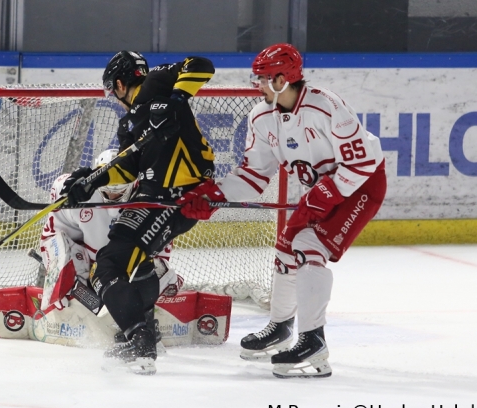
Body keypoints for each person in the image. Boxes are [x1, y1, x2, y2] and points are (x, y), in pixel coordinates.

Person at [178, 43, 387, 378]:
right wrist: (215, 195)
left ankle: (314, 340)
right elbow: (253, 176)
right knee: (285, 250)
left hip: (361, 185)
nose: (257, 85)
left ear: (282, 79)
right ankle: (280, 327)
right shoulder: (261, 118)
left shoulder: (326, 106)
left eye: (263, 78)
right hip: (322, 191)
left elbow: (361, 163)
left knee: (308, 248)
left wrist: (329, 192)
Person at [61, 51, 216, 374]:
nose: (115, 98)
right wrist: (91, 180)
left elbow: (201, 65)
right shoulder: (129, 123)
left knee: (108, 266)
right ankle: (144, 330)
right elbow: (128, 167)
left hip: (178, 196)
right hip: (152, 198)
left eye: (112, 90)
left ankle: (140, 340)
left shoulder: (157, 83)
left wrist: (175, 101)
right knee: (132, 261)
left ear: (119, 83)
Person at [39, 149, 182, 339]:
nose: (113, 199)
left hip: (120, 263)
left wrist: (157, 274)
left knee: (157, 270)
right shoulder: (78, 190)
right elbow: (52, 236)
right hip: (86, 264)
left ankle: (137, 321)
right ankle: (79, 300)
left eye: (121, 192)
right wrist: (59, 275)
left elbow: (161, 244)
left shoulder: (149, 196)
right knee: (70, 261)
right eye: (107, 191)